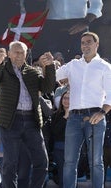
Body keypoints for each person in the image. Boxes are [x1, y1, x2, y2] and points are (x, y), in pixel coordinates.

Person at [0, 41, 56, 188]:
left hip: (31, 120)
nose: (19, 55)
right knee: (10, 163)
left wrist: (49, 66)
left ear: (26, 54)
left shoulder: (33, 72)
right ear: (9, 54)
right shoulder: (3, 69)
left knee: (42, 162)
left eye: (22, 52)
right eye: (15, 52)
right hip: (11, 121)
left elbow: (47, 87)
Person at [56, 31, 111, 188]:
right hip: (73, 118)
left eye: (89, 42)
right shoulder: (73, 65)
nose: (85, 45)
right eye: (83, 43)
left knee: (96, 161)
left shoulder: (105, 67)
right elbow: (55, 76)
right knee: (69, 161)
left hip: (95, 116)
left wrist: (102, 113)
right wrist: (48, 65)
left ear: (97, 44)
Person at [33, 0, 103, 62]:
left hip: (80, 23)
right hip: (52, 24)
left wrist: (86, 22)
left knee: (80, 59)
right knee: (54, 59)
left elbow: (96, 4)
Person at [50, 91, 69, 187]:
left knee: (72, 172)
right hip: (60, 147)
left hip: (74, 148)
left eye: (69, 98)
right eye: (64, 98)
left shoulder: (77, 116)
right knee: (62, 172)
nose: (66, 101)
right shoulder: (56, 115)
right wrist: (65, 117)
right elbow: (55, 132)